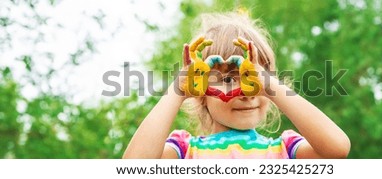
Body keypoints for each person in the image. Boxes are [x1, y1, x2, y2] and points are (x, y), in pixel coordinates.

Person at [122, 12, 350, 159]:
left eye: (255, 80)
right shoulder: (185, 152)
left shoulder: (285, 151)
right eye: (229, 79)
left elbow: (337, 149)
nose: (247, 93)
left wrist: (271, 85)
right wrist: (178, 90)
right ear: (200, 93)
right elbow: (134, 167)